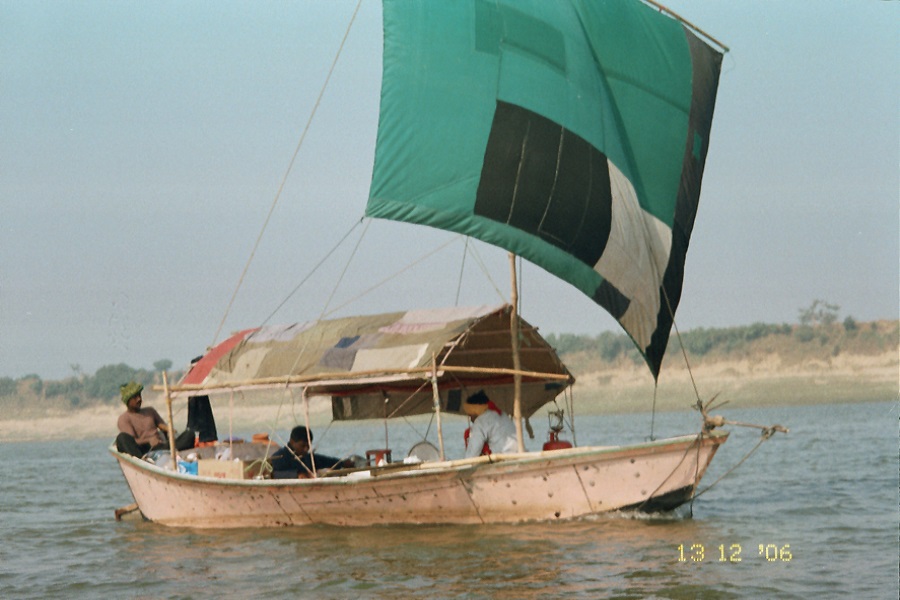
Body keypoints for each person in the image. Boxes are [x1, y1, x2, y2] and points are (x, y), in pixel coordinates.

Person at [115, 381, 194, 457]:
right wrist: (149, 441)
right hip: (145, 450)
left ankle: (172, 454)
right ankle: (143, 460)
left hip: (161, 446)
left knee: (189, 434)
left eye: (139, 395)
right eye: (135, 397)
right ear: (128, 401)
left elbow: (163, 426)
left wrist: (171, 431)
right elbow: (132, 442)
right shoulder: (124, 418)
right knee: (121, 437)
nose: (139, 399)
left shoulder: (150, 411)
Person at [270, 425, 355, 479]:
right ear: (292, 442)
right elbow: (275, 474)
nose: (306, 449)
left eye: (308, 446)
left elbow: (324, 461)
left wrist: (342, 463)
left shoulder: (306, 457)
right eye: (302, 446)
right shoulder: (279, 457)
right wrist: (296, 475)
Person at [462, 389, 519, 458]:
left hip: (504, 459)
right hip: (519, 455)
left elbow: (472, 453)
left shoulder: (480, 422)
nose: (470, 417)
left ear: (475, 411)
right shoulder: (503, 414)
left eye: (470, 414)